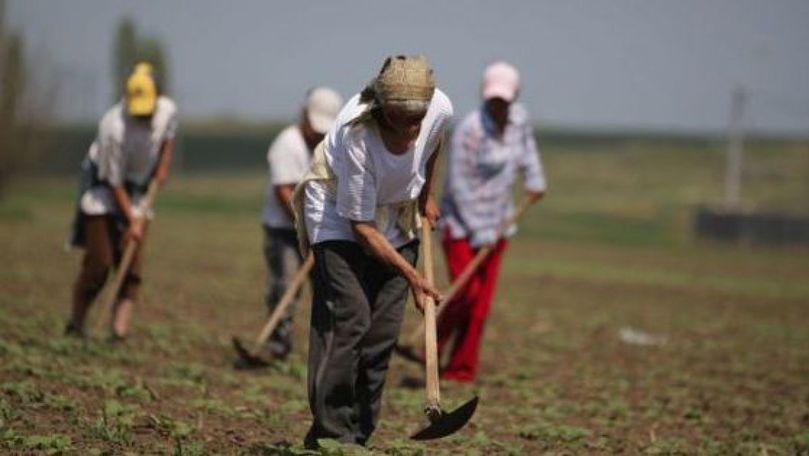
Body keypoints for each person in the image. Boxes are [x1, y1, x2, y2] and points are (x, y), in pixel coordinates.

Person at [291, 55, 452, 447]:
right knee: (350, 320)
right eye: (403, 118)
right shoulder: (356, 134)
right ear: (382, 109)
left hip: (395, 213)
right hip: (337, 210)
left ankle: (360, 434)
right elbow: (360, 227)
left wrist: (426, 192)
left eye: (419, 116)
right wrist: (413, 277)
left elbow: (434, 141)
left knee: (381, 334)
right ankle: (332, 434)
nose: (414, 127)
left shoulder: (440, 108)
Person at [436, 61, 546, 382]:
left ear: (514, 97)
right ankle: (430, 348)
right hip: (461, 225)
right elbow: (457, 186)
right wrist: (477, 230)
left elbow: (528, 154)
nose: (498, 106)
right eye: (493, 100)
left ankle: (461, 369)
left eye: (504, 101)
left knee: (481, 306)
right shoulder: (469, 129)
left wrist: (535, 181)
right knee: (465, 294)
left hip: (499, 223)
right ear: (484, 96)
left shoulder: (520, 122)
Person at [65, 62, 178, 340]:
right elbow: (113, 181)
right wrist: (132, 221)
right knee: (99, 264)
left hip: (139, 188)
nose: (144, 116)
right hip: (103, 190)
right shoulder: (112, 127)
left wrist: (163, 164)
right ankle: (77, 324)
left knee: (131, 266)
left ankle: (119, 332)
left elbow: (169, 137)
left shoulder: (167, 111)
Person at [259, 87, 342, 360]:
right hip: (285, 230)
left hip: (320, 232)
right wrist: (306, 227)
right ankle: (277, 343)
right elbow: (284, 192)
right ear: (305, 115)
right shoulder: (288, 143)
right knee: (284, 285)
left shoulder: (332, 146)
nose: (318, 133)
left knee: (327, 288)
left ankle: (327, 348)